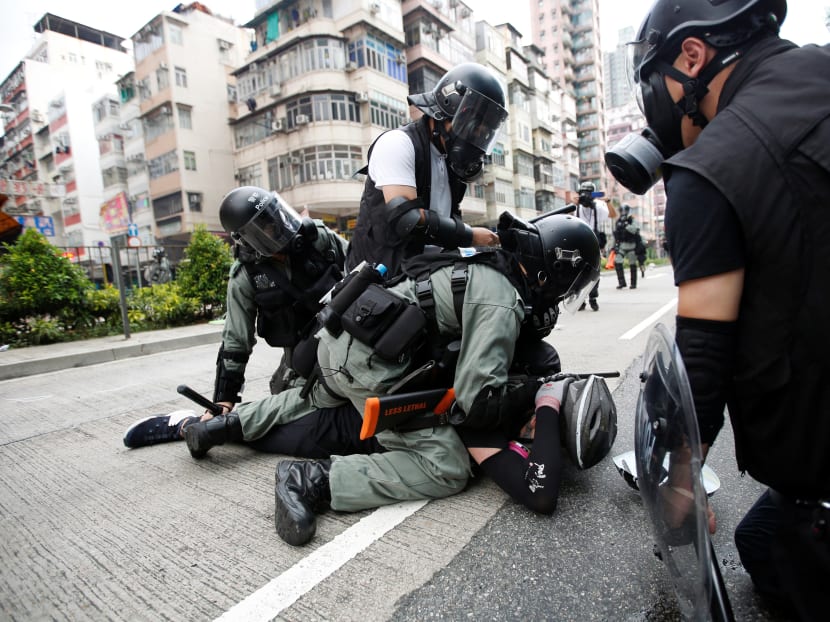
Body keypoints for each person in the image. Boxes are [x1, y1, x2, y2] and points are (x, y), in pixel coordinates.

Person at [607, 0, 830, 618]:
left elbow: (700, 357)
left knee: (767, 546)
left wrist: (680, 481)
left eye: (656, 80)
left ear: (694, 55)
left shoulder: (710, 168)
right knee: (764, 535)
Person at [267, 212, 601, 546]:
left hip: (350, 347)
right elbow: (478, 405)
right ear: (553, 273)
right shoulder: (501, 298)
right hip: (367, 365)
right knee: (447, 466)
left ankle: (227, 424)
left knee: (310, 416)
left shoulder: (493, 266)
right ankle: (312, 478)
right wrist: (538, 395)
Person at [122, 187, 348, 449]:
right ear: (246, 239)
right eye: (262, 227)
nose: (274, 228)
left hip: (348, 346)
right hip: (304, 367)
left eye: (273, 217)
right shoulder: (246, 276)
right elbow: (236, 341)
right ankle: (192, 425)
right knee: (310, 431)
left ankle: (224, 427)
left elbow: (363, 265)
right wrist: (224, 400)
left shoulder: (318, 239)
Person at [346, 62, 508, 276]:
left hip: (425, 278)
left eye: (483, 132)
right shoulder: (398, 143)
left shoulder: (450, 163)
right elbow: (407, 220)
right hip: (378, 283)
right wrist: (470, 235)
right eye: (473, 127)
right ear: (449, 107)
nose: (476, 138)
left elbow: (444, 230)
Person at [574, 181, 610, 310]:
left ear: (593, 194)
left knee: (594, 273)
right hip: (579, 244)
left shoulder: (598, 207)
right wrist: (576, 203)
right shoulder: (577, 207)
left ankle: (593, 298)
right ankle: (580, 300)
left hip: (594, 243)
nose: (585, 197)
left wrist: (600, 200)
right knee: (578, 273)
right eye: (583, 193)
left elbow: (607, 215)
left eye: (588, 194)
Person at [612, 205, 642, 290]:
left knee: (632, 264)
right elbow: (616, 235)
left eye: (625, 210)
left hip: (631, 246)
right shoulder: (618, 221)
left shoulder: (631, 220)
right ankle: (622, 283)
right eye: (622, 210)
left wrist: (626, 224)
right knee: (617, 262)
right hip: (621, 245)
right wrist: (613, 246)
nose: (623, 212)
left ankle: (633, 283)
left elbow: (635, 230)